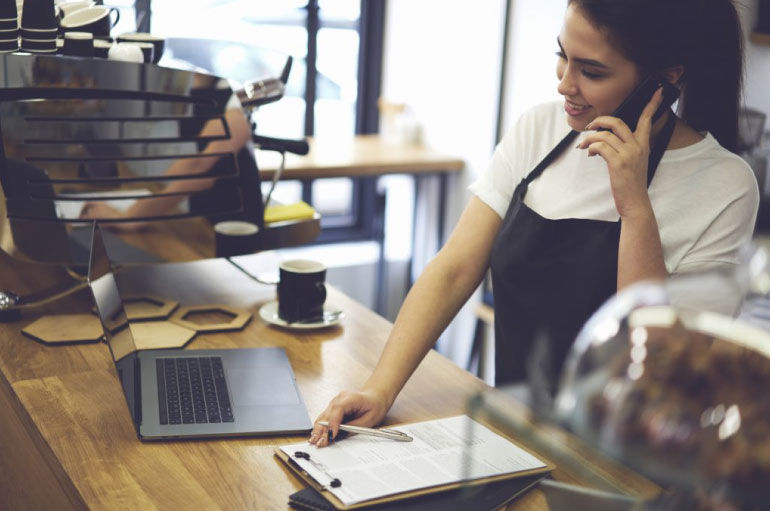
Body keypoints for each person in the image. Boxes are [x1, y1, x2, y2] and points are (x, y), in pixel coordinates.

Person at [310, 0, 759, 447]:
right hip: (511, 438)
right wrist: (379, 389)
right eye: (562, 56)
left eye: (592, 72)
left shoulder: (725, 186)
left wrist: (635, 207)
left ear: (666, 79)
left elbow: (655, 364)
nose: (565, 84)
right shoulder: (540, 130)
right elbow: (454, 270)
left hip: (622, 466)